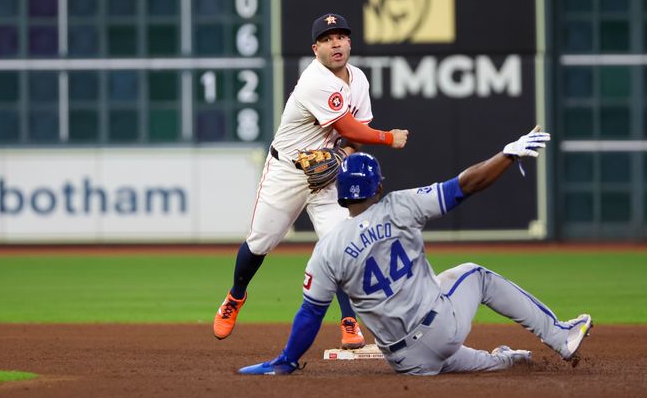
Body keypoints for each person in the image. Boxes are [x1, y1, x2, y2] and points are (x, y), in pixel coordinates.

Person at [239, 126, 594, 376]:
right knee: (476, 275)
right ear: (378, 185)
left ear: (340, 191)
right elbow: (463, 187)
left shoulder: (327, 249)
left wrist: (287, 359)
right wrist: (505, 155)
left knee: (467, 355)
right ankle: (561, 336)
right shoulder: (400, 206)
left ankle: (510, 361)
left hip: (406, 361)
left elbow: (310, 315)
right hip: (440, 330)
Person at [214, 13, 409, 349]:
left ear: (349, 42)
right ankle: (235, 296)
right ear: (315, 48)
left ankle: (349, 322)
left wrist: (344, 155)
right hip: (287, 172)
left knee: (340, 247)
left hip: (327, 175)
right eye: (327, 39)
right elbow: (350, 128)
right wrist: (389, 138)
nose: (336, 43)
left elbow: (352, 138)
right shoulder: (314, 81)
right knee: (259, 243)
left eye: (341, 36)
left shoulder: (358, 80)